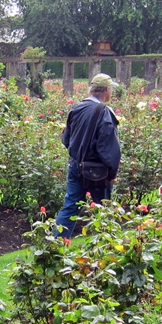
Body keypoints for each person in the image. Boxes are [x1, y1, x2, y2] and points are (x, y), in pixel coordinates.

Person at [54, 73, 121, 239]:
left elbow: (66, 138)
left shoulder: (77, 108)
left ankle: (55, 247)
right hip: (98, 170)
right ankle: (104, 251)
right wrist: (112, 173)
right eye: (111, 89)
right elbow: (108, 147)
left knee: (70, 207)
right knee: (102, 211)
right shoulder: (104, 112)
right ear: (106, 90)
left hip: (76, 165)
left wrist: (78, 154)